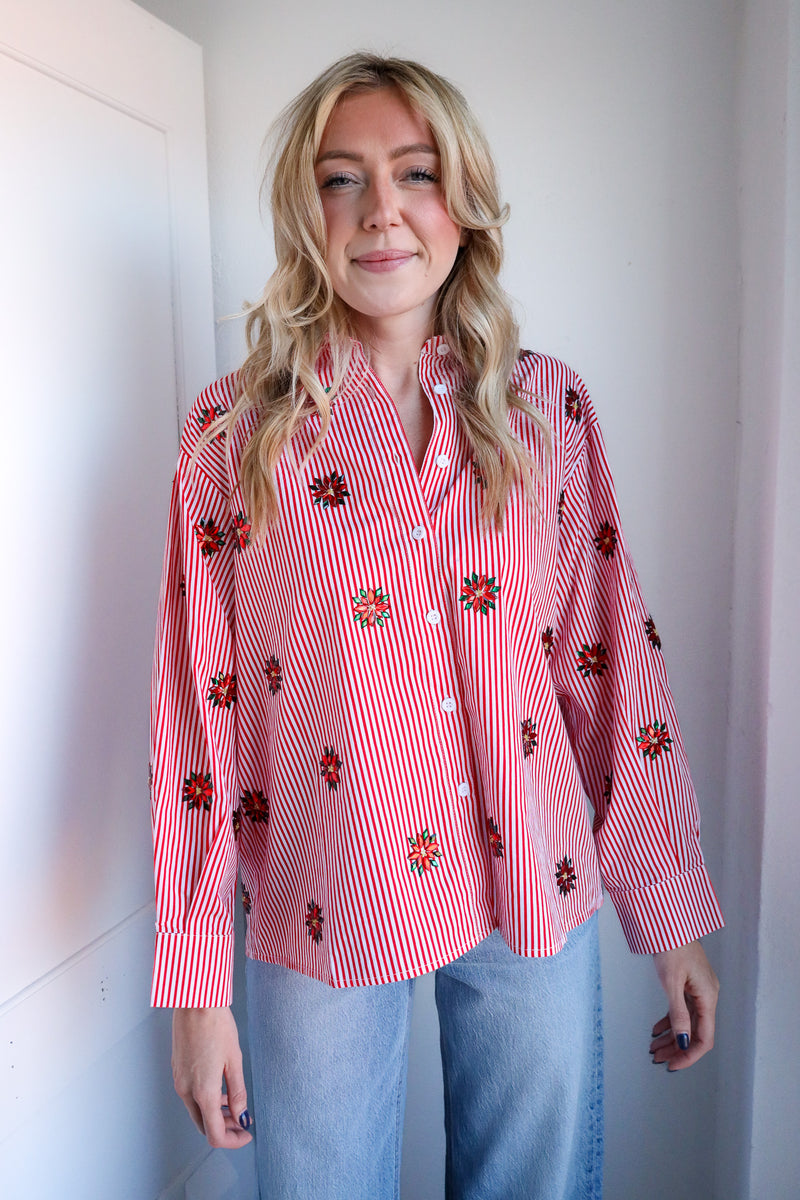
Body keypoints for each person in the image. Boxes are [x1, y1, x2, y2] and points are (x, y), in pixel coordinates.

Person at [150, 52, 723, 1200]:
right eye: (339, 180)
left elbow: (610, 670)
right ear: (302, 212)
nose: (380, 213)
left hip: (531, 886)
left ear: (462, 200)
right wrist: (195, 985)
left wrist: (668, 918)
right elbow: (193, 720)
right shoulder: (233, 435)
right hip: (325, 886)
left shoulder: (546, 410)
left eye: (414, 173)